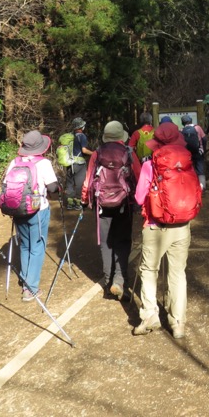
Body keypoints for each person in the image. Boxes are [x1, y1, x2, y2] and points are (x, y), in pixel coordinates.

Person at [132, 122, 201, 340]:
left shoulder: (149, 164)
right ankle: (177, 322)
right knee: (177, 272)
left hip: (155, 225)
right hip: (182, 224)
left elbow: (139, 197)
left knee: (149, 271)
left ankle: (150, 316)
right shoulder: (187, 161)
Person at [82, 121, 141, 300]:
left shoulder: (98, 153)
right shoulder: (129, 153)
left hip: (102, 203)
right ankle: (120, 279)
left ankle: (108, 283)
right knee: (122, 242)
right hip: (124, 203)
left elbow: (88, 179)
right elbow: (139, 177)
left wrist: (85, 200)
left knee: (106, 243)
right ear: (121, 136)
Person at [10, 130, 59, 301]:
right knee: (37, 247)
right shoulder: (43, 163)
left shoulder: (14, 162)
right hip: (38, 209)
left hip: (17, 209)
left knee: (25, 245)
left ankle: (26, 280)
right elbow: (52, 188)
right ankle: (30, 288)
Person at [62, 118, 93, 210]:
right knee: (79, 184)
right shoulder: (82, 136)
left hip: (69, 163)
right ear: (81, 127)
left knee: (70, 183)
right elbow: (84, 150)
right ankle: (78, 203)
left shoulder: (70, 136)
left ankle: (70, 203)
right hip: (79, 164)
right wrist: (94, 153)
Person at [181, 115, 207, 190]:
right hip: (199, 151)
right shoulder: (197, 128)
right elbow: (204, 139)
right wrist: (203, 149)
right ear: (191, 120)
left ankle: (190, 188)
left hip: (187, 153)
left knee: (189, 170)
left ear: (183, 122)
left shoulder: (182, 130)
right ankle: (202, 187)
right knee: (200, 170)